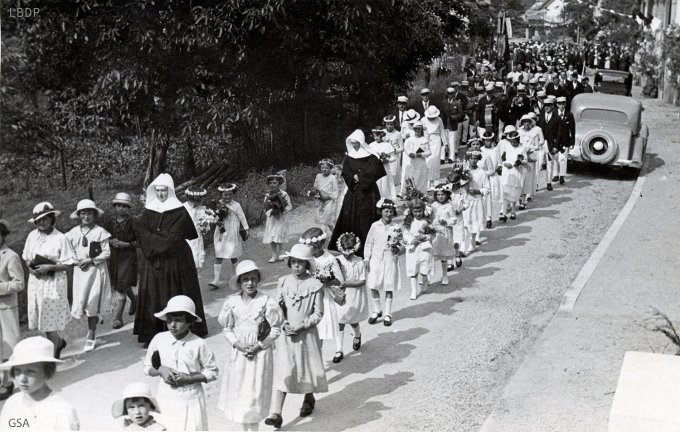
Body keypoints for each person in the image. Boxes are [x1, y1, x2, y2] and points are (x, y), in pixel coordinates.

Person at [133, 174, 208, 346]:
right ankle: (153, 333)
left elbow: (175, 237)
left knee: (177, 291)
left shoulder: (179, 211)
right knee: (154, 292)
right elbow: (141, 232)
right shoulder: (148, 210)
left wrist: (154, 240)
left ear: (170, 191)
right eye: (157, 191)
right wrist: (156, 241)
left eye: (164, 190)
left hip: (176, 259)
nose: (160, 194)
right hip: (154, 261)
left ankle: (184, 330)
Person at [265, 244, 327, 429]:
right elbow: (278, 307)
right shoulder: (283, 281)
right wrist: (283, 323)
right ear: (289, 262)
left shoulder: (315, 285)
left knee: (307, 367)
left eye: (301, 262)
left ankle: (309, 398)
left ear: (307, 264)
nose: (297, 265)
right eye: (294, 262)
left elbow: (318, 313)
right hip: (287, 335)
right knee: (285, 369)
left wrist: (301, 326)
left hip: (306, 334)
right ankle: (276, 412)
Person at [217, 260, 283, 431]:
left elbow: (275, 329)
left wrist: (259, 345)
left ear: (258, 280)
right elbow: (227, 328)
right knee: (240, 392)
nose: (250, 283)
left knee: (255, 393)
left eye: (253, 279)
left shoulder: (267, 302)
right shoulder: (231, 302)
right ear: (239, 282)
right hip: (239, 354)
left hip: (259, 353)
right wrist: (237, 344)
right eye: (245, 279)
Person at [144, 296, 218, 431]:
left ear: (190, 322)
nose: (172, 324)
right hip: (166, 397)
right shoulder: (159, 339)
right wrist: (161, 370)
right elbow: (148, 367)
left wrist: (189, 379)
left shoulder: (198, 344)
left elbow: (212, 372)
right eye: (169, 319)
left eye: (178, 320)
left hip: (191, 398)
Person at [22, 202, 75, 359]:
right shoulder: (32, 236)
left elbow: (69, 264)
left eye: (45, 219)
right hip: (37, 282)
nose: (42, 222)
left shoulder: (60, 238)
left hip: (53, 282)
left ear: (52, 218)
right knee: (43, 318)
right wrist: (30, 268)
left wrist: (49, 267)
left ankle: (52, 357)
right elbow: (26, 257)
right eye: (38, 220)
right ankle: (57, 342)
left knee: (50, 319)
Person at [0, 336, 80, 430]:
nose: (22, 379)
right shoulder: (12, 404)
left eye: (30, 371)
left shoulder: (61, 410)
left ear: (47, 371)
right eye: (17, 371)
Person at [330, 129, 386, 258]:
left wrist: (360, 177)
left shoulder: (371, 156)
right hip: (354, 191)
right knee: (351, 216)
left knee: (366, 217)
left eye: (356, 143)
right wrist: (353, 178)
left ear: (361, 142)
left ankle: (368, 245)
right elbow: (346, 171)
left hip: (368, 192)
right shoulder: (349, 157)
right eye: (352, 143)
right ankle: (350, 244)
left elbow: (375, 171)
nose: (354, 145)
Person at [65, 199, 112, 353]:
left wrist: (90, 259)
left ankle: (91, 333)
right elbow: (68, 251)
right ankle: (94, 318)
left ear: (94, 215)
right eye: (83, 213)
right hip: (80, 273)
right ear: (79, 215)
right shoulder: (73, 233)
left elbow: (106, 252)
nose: (86, 217)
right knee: (82, 301)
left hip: (95, 271)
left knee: (93, 300)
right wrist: (75, 261)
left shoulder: (100, 232)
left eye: (89, 213)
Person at [300, 228, 343, 351]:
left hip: (326, 297)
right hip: (311, 297)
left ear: (318, 245)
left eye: (310, 247)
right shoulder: (307, 259)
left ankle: (339, 349)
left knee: (331, 322)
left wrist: (327, 280)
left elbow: (339, 280)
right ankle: (318, 354)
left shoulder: (329, 259)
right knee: (317, 328)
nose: (307, 250)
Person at [364, 199, 403, 327]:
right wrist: (366, 258)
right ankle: (377, 310)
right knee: (373, 284)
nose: (388, 214)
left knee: (388, 286)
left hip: (390, 258)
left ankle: (387, 313)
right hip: (376, 259)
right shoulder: (375, 226)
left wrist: (397, 248)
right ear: (381, 212)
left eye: (391, 212)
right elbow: (369, 243)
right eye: (386, 211)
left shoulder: (396, 227)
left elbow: (402, 244)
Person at [333, 232, 368, 363]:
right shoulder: (337, 261)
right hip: (341, 294)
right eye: (345, 250)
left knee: (352, 319)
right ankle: (339, 349)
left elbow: (362, 281)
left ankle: (357, 334)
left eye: (350, 250)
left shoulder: (359, 262)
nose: (347, 253)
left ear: (355, 248)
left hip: (354, 294)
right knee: (340, 320)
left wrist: (346, 283)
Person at [105, 192, 138, 330]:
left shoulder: (133, 222)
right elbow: (103, 237)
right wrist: (110, 241)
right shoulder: (109, 222)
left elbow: (139, 241)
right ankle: (135, 299)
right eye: (119, 206)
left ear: (129, 208)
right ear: (114, 206)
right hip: (114, 257)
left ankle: (118, 317)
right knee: (119, 283)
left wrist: (127, 244)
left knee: (121, 286)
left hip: (128, 257)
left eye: (125, 206)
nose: (121, 209)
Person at [0, 219, 24, 400]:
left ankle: (7, 382)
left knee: (9, 346)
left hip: (6, 307)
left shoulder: (10, 256)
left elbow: (19, 283)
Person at [211, 183, 250, 287]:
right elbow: (214, 215)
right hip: (221, 232)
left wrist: (246, 228)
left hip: (232, 232)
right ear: (221, 195)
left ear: (233, 195)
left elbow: (242, 217)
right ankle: (216, 279)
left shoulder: (236, 205)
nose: (227, 197)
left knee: (233, 255)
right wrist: (215, 220)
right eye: (225, 195)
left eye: (230, 195)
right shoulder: (219, 204)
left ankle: (236, 276)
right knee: (219, 254)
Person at [403, 198, 435, 300]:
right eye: (415, 211)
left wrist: (425, 237)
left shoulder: (426, 222)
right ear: (411, 211)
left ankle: (425, 280)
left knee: (424, 267)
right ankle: (414, 290)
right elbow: (405, 234)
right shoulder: (409, 222)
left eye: (420, 211)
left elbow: (432, 235)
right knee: (413, 269)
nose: (418, 214)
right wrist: (411, 240)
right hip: (413, 248)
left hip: (424, 248)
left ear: (423, 210)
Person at [497, 126, 528, 221]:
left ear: (518, 140)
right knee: (506, 191)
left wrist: (519, 162)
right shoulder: (507, 146)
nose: (513, 144)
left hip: (517, 171)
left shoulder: (522, 147)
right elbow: (502, 158)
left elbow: (525, 159)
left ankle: (513, 211)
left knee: (514, 192)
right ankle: (504, 213)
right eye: (511, 142)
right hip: (507, 171)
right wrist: (505, 164)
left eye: (514, 142)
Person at [262, 175, 292, 263]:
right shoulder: (268, 195)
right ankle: (274, 254)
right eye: (270, 183)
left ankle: (281, 251)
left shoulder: (284, 194)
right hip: (271, 219)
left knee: (278, 235)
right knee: (271, 236)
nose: (272, 185)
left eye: (274, 183)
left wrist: (281, 211)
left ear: (279, 184)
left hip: (280, 219)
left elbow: (289, 206)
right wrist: (270, 212)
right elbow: (265, 207)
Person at [464, 152, 490, 253]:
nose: (473, 160)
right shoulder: (464, 171)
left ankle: (473, 242)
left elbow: (487, 188)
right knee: (465, 222)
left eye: (475, 158)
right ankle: (464, 244)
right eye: (471, 158)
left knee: (474, 221)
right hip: (465, 199)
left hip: (476, 200)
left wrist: (478, 191)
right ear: (468, 159)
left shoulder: (482, 173)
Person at [535, 96, 562, 191]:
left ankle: (548, 182)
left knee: (550, 164)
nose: (546, 107)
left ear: (553, 106)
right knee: (538, 164)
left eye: (548, 105)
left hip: (551, 144)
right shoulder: (541, 117)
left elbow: (559, 133)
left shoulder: (557, 118)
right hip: (541, 144)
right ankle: (536, 184)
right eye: (545, 105)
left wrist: (556, 146)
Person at [430, 185, 456, 284]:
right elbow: (430, 217)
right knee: (431, 254)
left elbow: (454, 219)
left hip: (445, 232)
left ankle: (445, 275)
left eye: (443, 195)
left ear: (447, 195)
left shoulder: (449, 206)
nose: (441, 197)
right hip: (434, 232)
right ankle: (428, 276)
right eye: (439, 195)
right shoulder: (433, 206)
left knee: (443, 256)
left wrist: (447, 222)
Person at [518, 114, 544, 204]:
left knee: (529, 177)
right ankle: (519, 195)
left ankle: (526, 197)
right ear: (522, 122)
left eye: (528, 122)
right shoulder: (519, 132)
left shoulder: (534, 132)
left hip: (530, 156)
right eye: (524, 122)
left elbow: (537, 146)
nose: (526, 123)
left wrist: (529, 148)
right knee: (520, 177)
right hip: (521, 157)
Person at [401, 121, 431, 196]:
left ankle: (421, 195)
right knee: (411, 178)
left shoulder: (424, 140)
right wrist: (409, 153)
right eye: (415, 129)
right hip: (411, 161)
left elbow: (429, 152)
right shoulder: (409, 139)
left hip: (421, 162)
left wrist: (420, 155)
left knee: (421, 178)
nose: (417, 131)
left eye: (419, 129)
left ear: (421, 130)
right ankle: (410, 195)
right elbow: (406, 148)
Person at [311, 159, 340, 238]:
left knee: (324, 222)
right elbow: (315, 187)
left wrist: (327, 196)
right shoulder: (318, 176)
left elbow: (336, 193)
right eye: (322, 167)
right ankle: (336, 236)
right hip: (320, 202)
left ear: (330, 168)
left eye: (326, 168)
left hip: (329, 202)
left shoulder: (332, 178)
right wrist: (314, 193)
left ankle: (320, 239)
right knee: (328, 222)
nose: (324, 169)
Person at [479, 132, 502, 229]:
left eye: (489, 140)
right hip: (481, 178)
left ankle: (489, 218)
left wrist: (497, 169)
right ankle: (480, 219)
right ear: (483, 141)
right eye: (486, 140)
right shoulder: (480, 150)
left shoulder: (496, 150)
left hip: (492, 176)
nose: (488, 142)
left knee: (489, 198)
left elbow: (499, 162)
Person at [367, 127, 397, 200]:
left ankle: (385, 199)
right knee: (376, 183)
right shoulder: (371, 145)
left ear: (381, 135)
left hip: (384, 167)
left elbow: (393, 157)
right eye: (374, 136)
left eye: (377, 135)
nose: (375, 137)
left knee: (384, 183)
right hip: (374, 168)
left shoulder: (387, 145)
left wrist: (387, 160)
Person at [183, 186, 208, 269]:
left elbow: (204, 225)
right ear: (196, 199)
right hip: (187, 239)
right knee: (188, 261)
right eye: (201, 198)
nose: (202, 200)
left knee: (196, 261)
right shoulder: (183, 209)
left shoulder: (200, 209)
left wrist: (205, 226)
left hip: (197, 238)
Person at [423, 105, 446, 188]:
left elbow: (442, 131)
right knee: (428, 160)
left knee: (435, 160)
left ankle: (435, 179)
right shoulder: (423, 119)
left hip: (436, 140)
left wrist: (445, 143)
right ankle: (428, 179)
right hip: (426, 140)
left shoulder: (439, 120)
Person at [556, 96, 575, 185]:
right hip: (555, 140)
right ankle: (555, 174)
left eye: (563, 104)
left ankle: (562, 176)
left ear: (566, 104)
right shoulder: (554, 114)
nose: (561, 106)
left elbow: (573, 129)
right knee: (555, 158)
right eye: (559, 104)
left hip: (565, 140)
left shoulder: (569, 115)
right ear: (557, 105)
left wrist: (572, 141)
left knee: (562, 159)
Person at [383, 115, 404, 187]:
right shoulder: (383, 132)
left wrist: (395, 151)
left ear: (394, 124)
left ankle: (394, 188)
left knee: (393, 173)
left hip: (394, 156)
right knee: (385, 173)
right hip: (384, 156)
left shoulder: (397, 134)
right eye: (388, 124)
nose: (389, 126)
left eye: (391, 124)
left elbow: (402, 147)